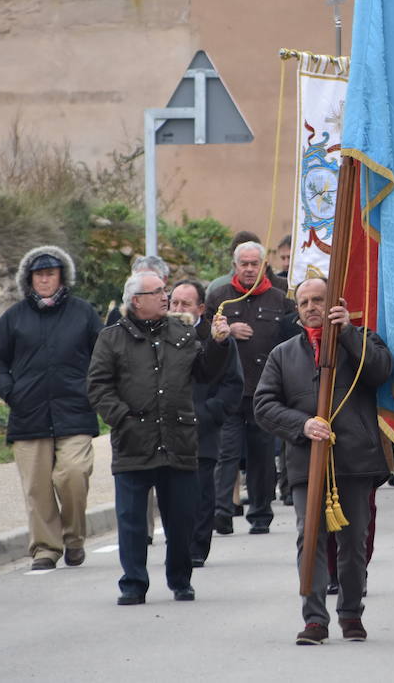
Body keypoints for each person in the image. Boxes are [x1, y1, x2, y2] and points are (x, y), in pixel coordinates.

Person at [254, 276, 393, 645]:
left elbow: (382, 371)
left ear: (335, 303)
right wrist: (303, 424)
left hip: (355, 460)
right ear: (297, 310)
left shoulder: (362, 339)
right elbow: (264, 406)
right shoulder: (282, 354)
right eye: (305, 302)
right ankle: (314, 619)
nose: (312, 307)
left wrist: (347, 333)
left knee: (353, 542)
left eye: (319, 299)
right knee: (309, 537)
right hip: (306, 461)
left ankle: (350, 613)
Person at [85, 270, 232, 605]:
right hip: (133, 441)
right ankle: (134, 583)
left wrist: (220, 344)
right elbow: (98, 386)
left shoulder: (181, 332)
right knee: (132, 521)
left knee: (181, 519)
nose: (165, 297)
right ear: (136, 300)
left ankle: (181, 579)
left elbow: (207, 372)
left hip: (178, 439)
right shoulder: (111, 338)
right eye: (157, 292)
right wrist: (123, 419)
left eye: (165, 291)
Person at [0, 245, 103, 571]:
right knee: (37, 488)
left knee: (74, 476)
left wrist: (94, 390)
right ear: (29, 279)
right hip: (29, 413)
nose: (45, 280)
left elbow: (104, 354)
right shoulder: (14, 318)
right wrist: (10, 391)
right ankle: (46, 549)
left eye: (51, 274)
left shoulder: (83, 313)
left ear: (62, 276)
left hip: (75, 411)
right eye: (39, 275)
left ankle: (74, 539)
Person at [206, 241, 298, 535]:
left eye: (254, 264)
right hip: (229, 388)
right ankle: (221, 511)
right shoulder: (219, 297)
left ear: (263, 266)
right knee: (227, 452)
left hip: (265, 389)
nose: (248, 269)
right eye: (243, 264)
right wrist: (227, 331)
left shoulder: (280, 296)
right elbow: (203, 337)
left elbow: (291, 337)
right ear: (235, 266)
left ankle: (260, 513)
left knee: (261, 455)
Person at [167, 279, 244, 568]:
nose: (178, 308)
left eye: (185, 303)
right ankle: (177, 544)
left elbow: (232, 384)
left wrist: (208, 413)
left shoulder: (218, 337)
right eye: (174, 302)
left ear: (200, 307)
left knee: (200, 491)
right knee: (173, 492)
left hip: (202, 426)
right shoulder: (160, 334)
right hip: (168, 427)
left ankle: (197, 547)